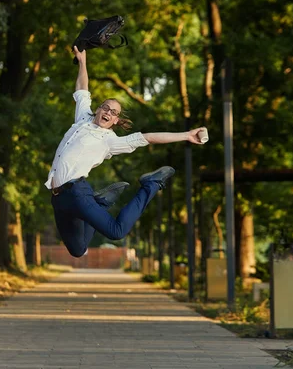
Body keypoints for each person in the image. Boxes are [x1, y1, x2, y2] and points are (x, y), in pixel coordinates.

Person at [45, 46, 207, 258]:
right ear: (99, 109)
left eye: (114, 113)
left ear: (115, 121)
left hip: (77, 193)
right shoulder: (83, 118)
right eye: (106, 107)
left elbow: (147, 137)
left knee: (116, 231)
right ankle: (101, 202)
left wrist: (186, 135)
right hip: (58, 197)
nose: (108, 113)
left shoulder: (109, 141)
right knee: (78, 250)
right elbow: (82, 89)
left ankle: (150, 184)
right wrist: (83, 62)